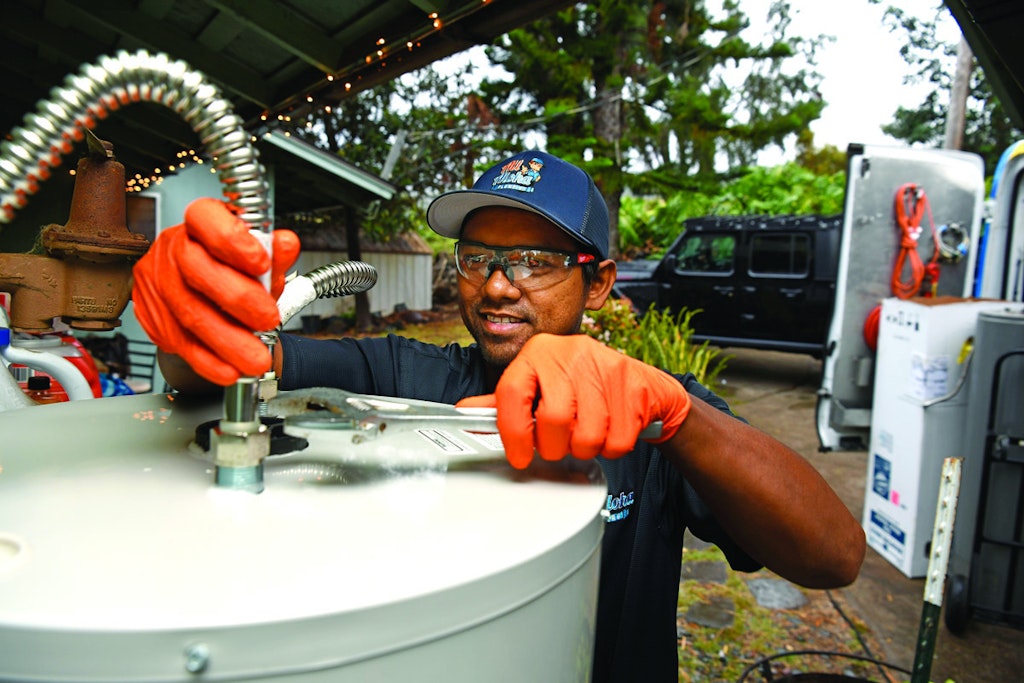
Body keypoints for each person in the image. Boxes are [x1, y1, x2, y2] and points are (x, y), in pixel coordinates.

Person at [132, 150, 866, 682]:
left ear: (601, 282)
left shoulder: (648, 410)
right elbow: (227, 368)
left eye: (535, 260)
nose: (496, 287)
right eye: (478, 256)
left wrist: (679, 419)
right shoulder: (406, 375)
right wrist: (191, 321)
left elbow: (832, 555)